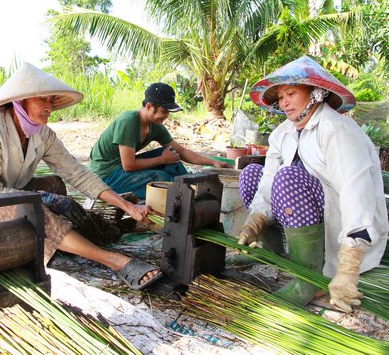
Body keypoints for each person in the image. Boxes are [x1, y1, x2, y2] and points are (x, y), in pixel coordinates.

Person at [0, 62, 162, 291]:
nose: (49, 107)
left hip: (7, 189)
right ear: (20, 101)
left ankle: (54, 246)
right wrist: (40, 198)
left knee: (54, 184)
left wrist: (127, 207)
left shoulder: (42, 134)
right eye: (42, 100)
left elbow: (77, 172)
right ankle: (115, 261)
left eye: (51, 100)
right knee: (36, 210)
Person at [236, 55, 388, 312]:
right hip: (302, 214)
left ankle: (310, 278)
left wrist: (349, 266)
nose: (284, 102)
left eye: (291, 93)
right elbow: (269, 179)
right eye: (281, 97)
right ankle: (275, 252)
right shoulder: (282, 133)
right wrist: (255, 221)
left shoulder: (336, 130)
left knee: (289, 178)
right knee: (251, 172)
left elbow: (356, 193)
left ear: (316, 93)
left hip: (341, 224)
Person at [88, 82, 231, 200]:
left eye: (168, 113)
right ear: (149, 106)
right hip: (105, 175)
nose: (166, 116)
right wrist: (162, 160)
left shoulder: (155, 125)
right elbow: (129, 165)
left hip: (121, 167)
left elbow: (181, 151)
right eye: (164, 112)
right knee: (160, 178)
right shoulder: (128, 121)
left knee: (171, 155)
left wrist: (212, 162)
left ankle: (187, 192)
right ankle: (179, 201)